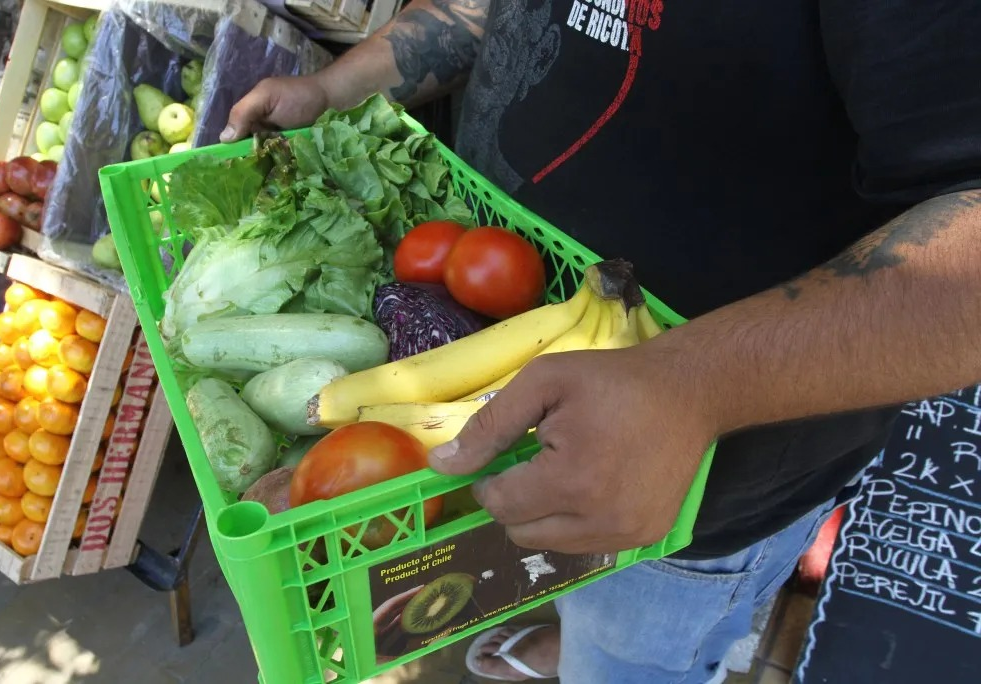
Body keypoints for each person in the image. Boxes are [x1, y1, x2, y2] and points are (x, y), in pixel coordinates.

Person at [222, 1, 981, 681]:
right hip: (518, 361)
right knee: (551, 575)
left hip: (699, 486)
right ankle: (568, 632)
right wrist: (340, 88)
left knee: (629, 650)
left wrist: (696, 383)